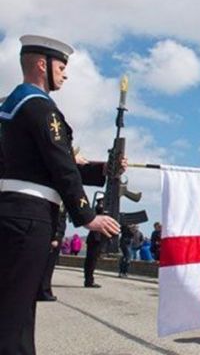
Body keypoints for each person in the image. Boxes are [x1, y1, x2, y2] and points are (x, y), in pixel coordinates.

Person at [0, 34, 121, 354]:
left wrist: (102, 171)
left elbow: (42, 163)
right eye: (62, 66)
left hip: (12, 210)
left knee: (13, 306)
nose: (65, 74)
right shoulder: (39, 107)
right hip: (30, 216)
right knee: (16, 314)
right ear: (42, 65)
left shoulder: (11, 106)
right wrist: (87, 216)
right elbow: (60, 166)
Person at [37, 206, 68, 302]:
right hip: (54, 236)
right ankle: (44, 291)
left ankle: (42, 290)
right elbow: (58, 219)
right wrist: (56, 236)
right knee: (48, 265)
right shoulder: (60, 204)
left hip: (51, 234)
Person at [84, 193, 106, 288]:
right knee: (91, 261)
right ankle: (89, 281)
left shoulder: (97, 210)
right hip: (95, 238)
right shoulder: (98, 209)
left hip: (95, 238)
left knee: (91, 260)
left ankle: (89, 280)